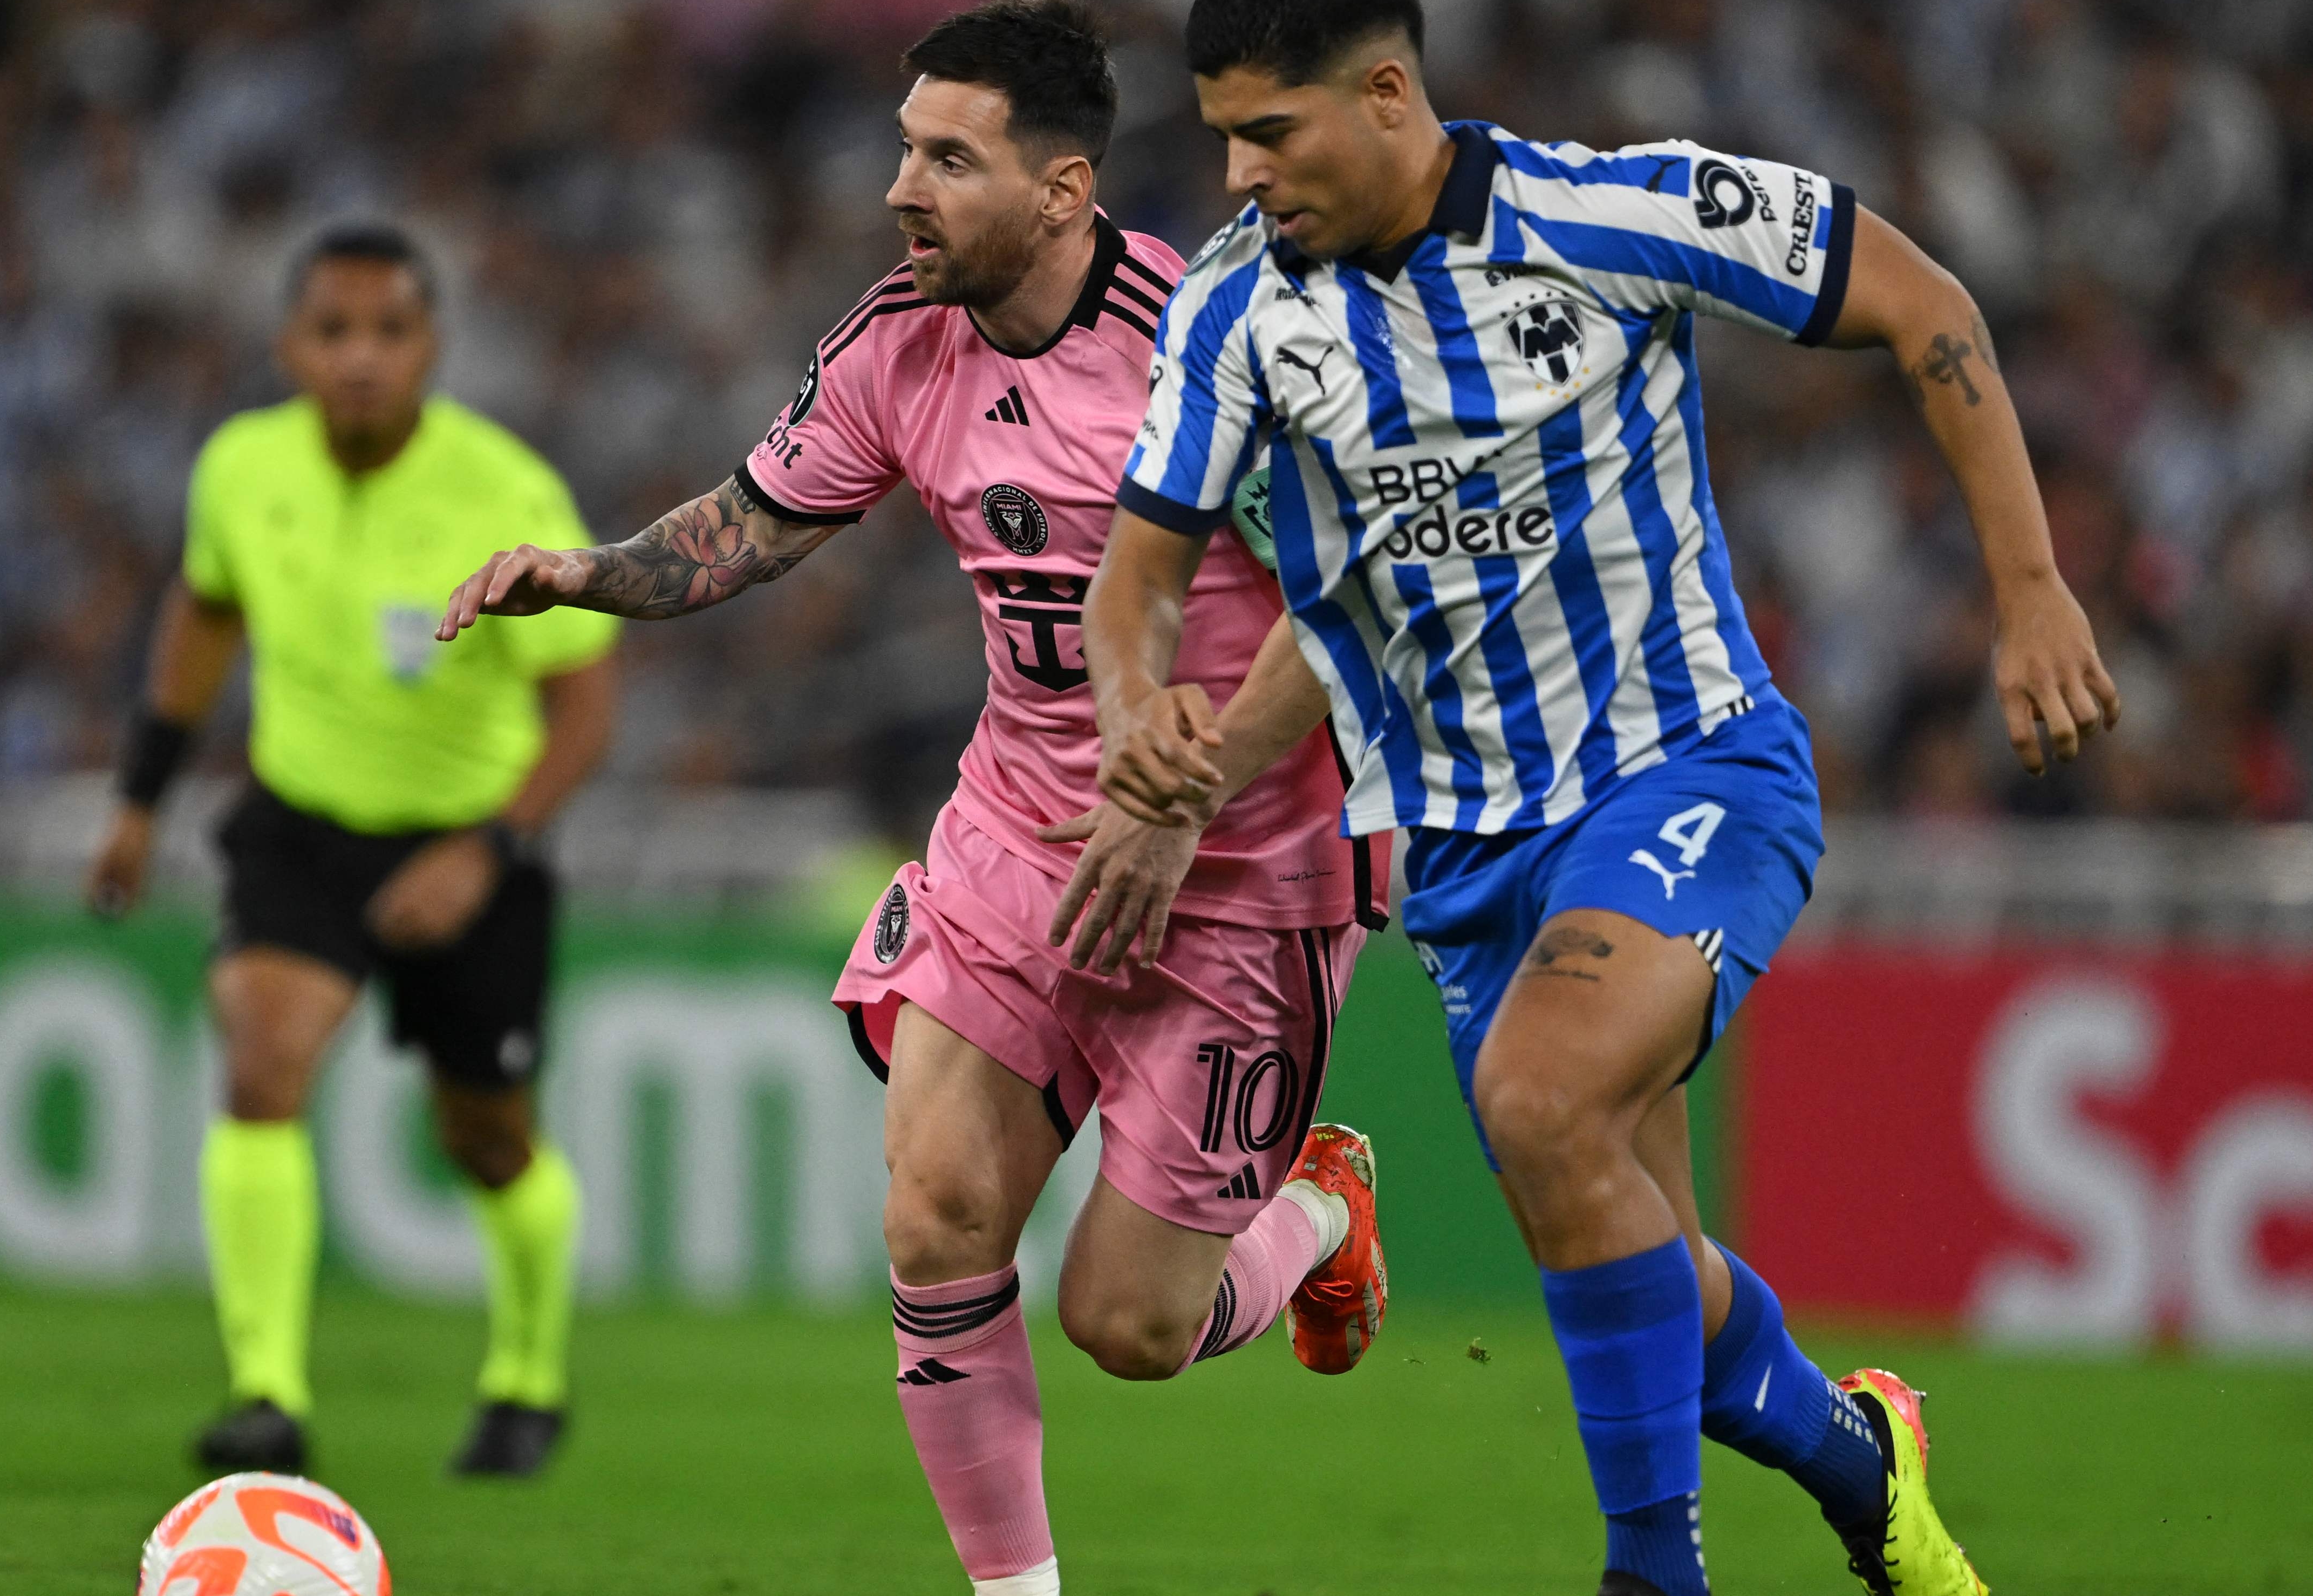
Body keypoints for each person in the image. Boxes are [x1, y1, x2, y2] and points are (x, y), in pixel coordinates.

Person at [1084, 4, 2122, 1594]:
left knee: (1541, 1102)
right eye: (1221, 134)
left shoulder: (1608, 212)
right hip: (1462, 857)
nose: (1237, 171)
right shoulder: (1233, 313)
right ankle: (1870, 1468)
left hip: (1686, 767)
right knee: (1649, 1286)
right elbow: (1137, 577)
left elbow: (1921, 301)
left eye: (1267, 132)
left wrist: (2030, 585)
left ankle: (1651, 1574)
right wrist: (1141, 710)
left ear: (1381, 92)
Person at [437, 6, 1388, 1592]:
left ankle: (1314, 1216)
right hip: (1017, 836)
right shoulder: (901, 339)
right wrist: (586, 575)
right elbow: (749, 521)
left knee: (1128, 1325)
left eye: (949, 157)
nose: (902, 187)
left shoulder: (1221, 336)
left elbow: (1346, 602)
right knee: (938, 1212)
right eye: (905, 148)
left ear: (1065, 187)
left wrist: (1180, 792)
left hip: (1241, 867)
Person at [84, 222, 620, 1479]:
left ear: (432, 346)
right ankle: (264, 1394)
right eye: (333, 332)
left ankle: (527, 1379)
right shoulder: (240, 467)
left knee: (486, 1138)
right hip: (302, 826)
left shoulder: (505, 491)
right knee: (262, 1062)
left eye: (389, 332)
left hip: (471, 841)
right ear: (290, 346)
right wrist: (137, 800)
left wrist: (487, 848)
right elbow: (206, 612)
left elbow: (585, 707)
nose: (361, 358)